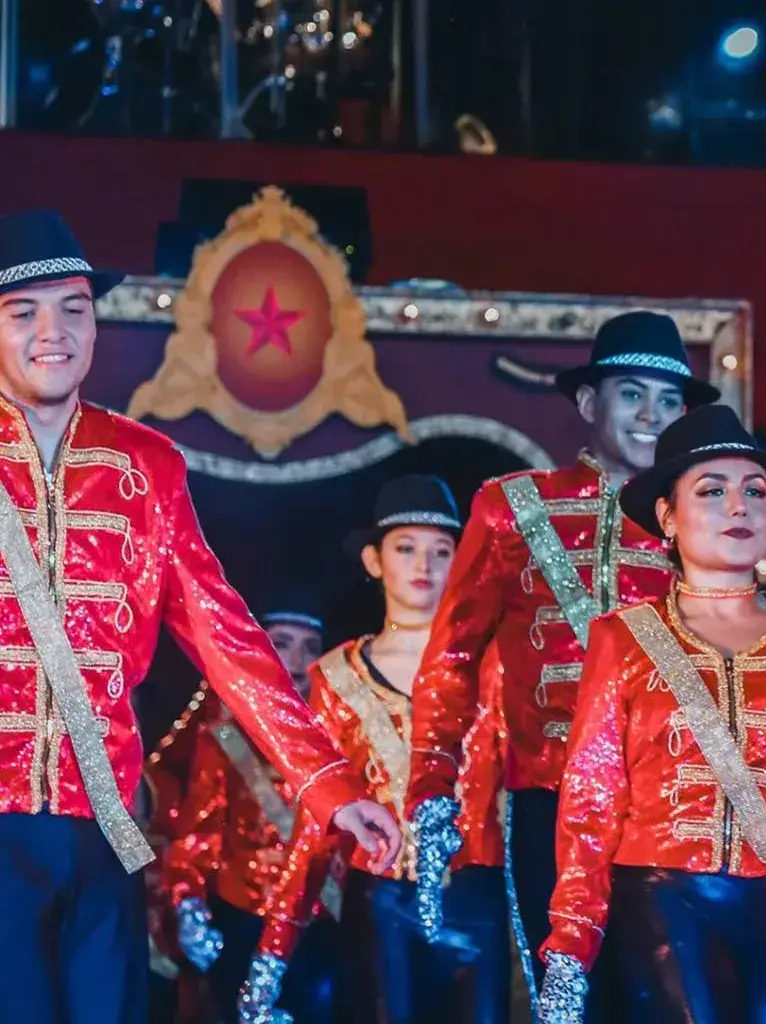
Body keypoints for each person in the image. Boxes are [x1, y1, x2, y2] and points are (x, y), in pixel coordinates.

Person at [0, 209, 396, 1023]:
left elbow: (226, 634)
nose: (53, 332)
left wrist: (327, 783)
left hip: (104, 828)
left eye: (74, 308)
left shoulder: (146, 464)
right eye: (22, 312)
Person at [533, 404, 766, 1024]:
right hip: (662, 894)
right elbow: (591, 800)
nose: (739, 507)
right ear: (667, 517)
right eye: (712, 491)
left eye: (756, 491)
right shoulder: (623, 637)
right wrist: (570, 944)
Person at [405, 311, 707, 992]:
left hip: (667, 803)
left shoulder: (698, 517)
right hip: (547, 797)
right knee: (563, 995)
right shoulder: (511, 507)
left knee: (662, 996)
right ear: (589, 402)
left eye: (669, 401)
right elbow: (452, 657)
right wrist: (432, 784)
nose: (651, 415)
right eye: (632, 394)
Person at [241, 476, 510, 1023]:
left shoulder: (496, 663)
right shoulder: (337, 676)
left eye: (442, 551)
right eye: (406, 548)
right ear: (373, 560)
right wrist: (274, 948)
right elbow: (317, 821)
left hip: (478, 894)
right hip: (382, 899)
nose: (424, 565)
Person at [159, 585, 343, 1024]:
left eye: (310, 648)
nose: (297, 660)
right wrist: (188, 901)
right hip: (242, 916)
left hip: (319, 923)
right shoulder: (226, 732)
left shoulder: (340, 735)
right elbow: (198, 829)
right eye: (282, 644)